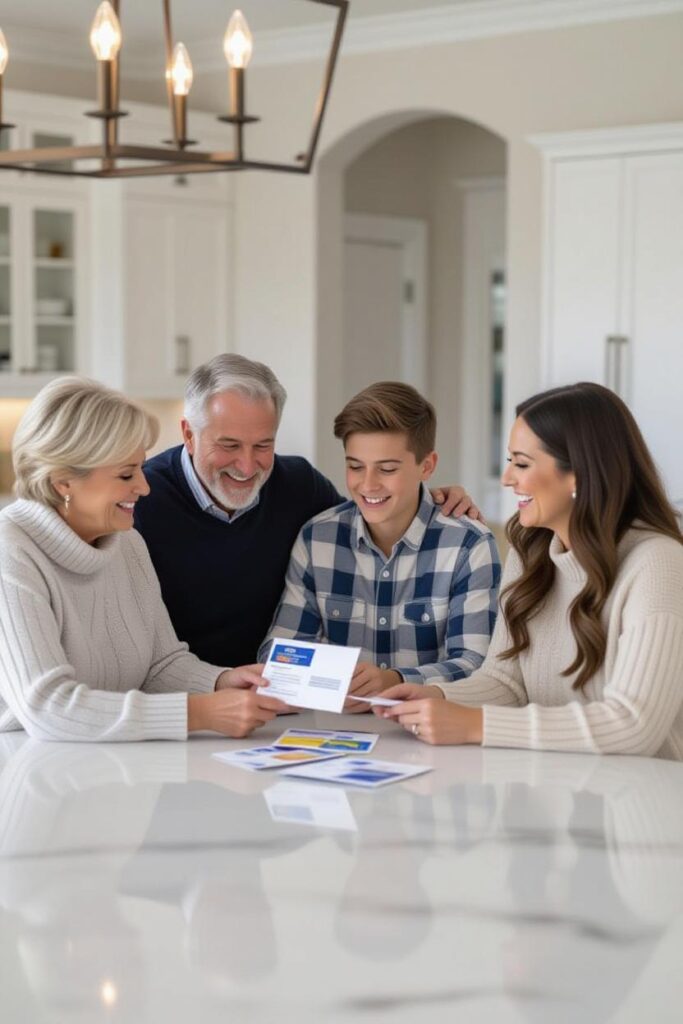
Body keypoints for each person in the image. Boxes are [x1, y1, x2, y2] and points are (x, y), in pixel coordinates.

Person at [376, 382, 683, 758]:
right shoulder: (531, 548)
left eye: (521, 464)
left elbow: (633, 725)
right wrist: (437, 696)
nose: (507, 478)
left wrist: (475, 724)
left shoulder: (657, 563)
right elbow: (506, 682)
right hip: (558, 790)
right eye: (509, 462)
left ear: (579, 475)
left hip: (642, 802)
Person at [134, 354, 481, 667]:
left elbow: (368, 514)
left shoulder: (299, 486)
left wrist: (426, 497)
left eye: (263, 445)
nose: (246, 464)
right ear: (189, 435)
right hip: (185, 698)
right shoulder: (140, 499)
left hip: (274, 695)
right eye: (229, 446)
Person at [0, 377, 287, 742]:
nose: (144, 486)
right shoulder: (11, 551)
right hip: (28, 770)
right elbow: (47, 707)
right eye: (125, 474)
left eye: (140, 467)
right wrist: (197, 713)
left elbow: (159, 664)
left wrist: (220, 681)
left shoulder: (128, 542)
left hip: (113, 765)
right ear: (63, 482)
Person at [259, 382, 500, 706]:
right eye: (355, 466)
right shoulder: (318, 539)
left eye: (387, 469)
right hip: (334, 731)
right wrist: (331, 680)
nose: (368, 484)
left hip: (433, 737)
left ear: (426, 466)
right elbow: (280, 655)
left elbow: (478, 667)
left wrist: (395, 681)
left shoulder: (468, 546)